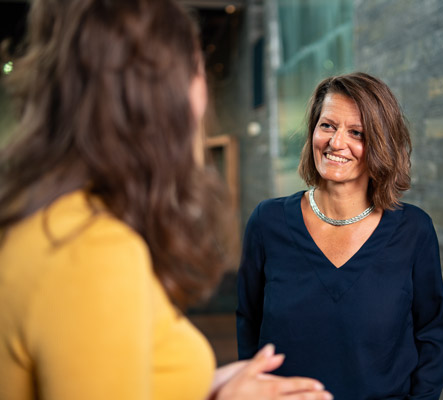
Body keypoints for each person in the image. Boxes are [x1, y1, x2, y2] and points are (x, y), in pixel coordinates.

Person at [0, 1, 333, 399]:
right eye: (197, 69)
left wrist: (202, 388)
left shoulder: (54, 222)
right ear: (164, 100)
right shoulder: (90, 250)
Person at [237, 72, 443, 399]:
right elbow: (248, 323)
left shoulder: (414, 231)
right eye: (327, 126)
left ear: (381, 144)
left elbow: (432, 336)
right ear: (312, 131)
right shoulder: (268, 222)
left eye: (356, 133)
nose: (336, 143)